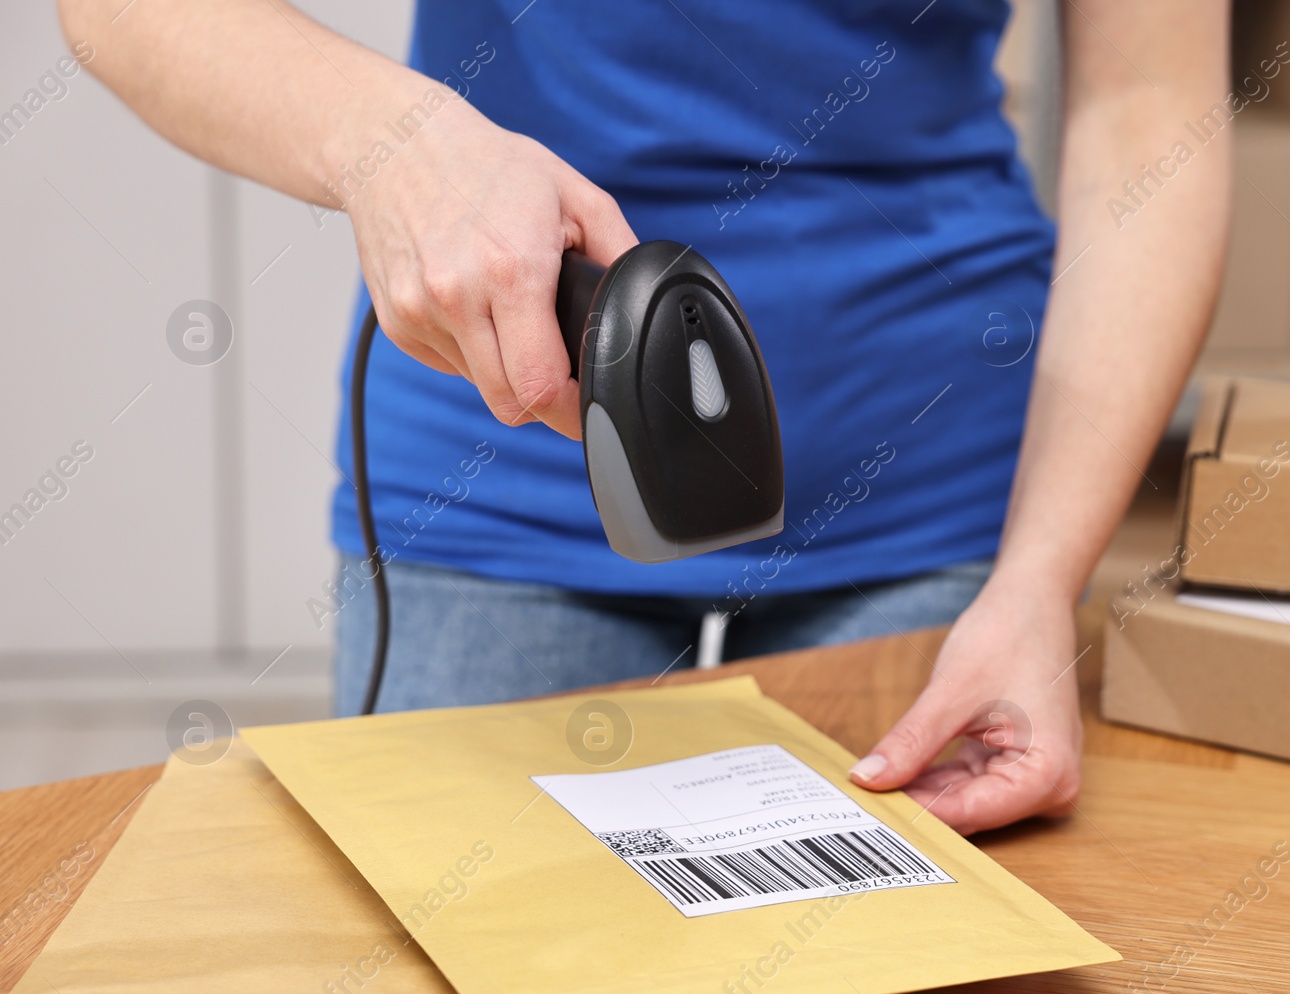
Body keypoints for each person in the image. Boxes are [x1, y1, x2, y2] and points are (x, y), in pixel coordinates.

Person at [62, 0, 1230, 835]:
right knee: (486, 974)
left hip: (927, 475)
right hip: (502, 459)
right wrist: (393, 143)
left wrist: (1038, 578)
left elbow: (1152, 116)